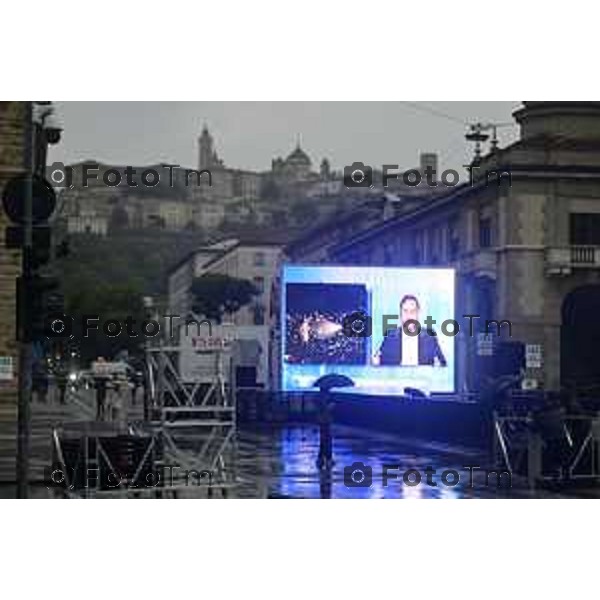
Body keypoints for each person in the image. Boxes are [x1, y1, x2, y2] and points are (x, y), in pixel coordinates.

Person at [377, 295, 447, 367]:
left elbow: (442, 363)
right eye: (405, 311)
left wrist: (437, 365)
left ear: (418, 314)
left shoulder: (429, 336)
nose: (409, 316)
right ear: (400, 314)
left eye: (412, 311)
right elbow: (381, 363)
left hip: (422, 377)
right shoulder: (390, 336)